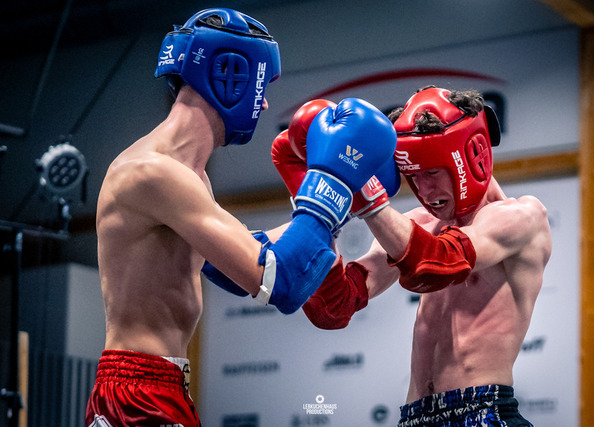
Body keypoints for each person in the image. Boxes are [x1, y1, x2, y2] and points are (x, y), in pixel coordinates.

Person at [84, 8, 397, 427]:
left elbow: (237, 264)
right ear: (229, 77)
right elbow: (280, 283)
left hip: (159, 385)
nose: (264, 102)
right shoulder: (154, 173)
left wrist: (336, 207)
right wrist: (329, 186)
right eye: (261, 87)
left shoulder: (189, 178)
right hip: (137, 391)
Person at [291, 86, 552, 426]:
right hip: (413, 417)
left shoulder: (523, 217)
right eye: (413, 176)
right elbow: (334, 306)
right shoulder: (419, 225)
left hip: (482, 413)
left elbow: (435, 266)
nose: (425, 190)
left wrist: (364, 191)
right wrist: (318, 204)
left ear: (471, 156)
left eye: (431, 172)